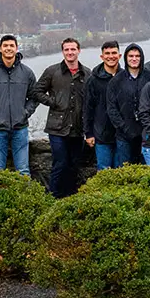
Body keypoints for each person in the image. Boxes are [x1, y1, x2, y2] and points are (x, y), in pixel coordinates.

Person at [34, 38, 91, 197]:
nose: (70, 52)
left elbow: (91, 100)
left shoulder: (87, 73)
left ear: (79, 51)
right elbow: (37, 91)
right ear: (63, 52)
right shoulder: (52, 72)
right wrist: (53, 102)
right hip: (57, 128)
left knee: (74, 165)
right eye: (67, 50)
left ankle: (71, 198)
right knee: (60, 163)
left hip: (77, 128)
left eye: (73, 49)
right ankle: (54, 197)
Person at [0, 34, 38, 175]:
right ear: (0, 48)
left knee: (23, 170)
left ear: (17, 48)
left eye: (11, 46)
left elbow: (34, 97)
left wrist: (25, 113)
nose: (8, 48)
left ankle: (26, 197)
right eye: (5, 46)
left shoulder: (26, 73)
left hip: (20, 128)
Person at [107, 43, 150, 167]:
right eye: (131, 56)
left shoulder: (149, 78)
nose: (134, 59)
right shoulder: (116, 81)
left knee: (145, 171)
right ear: (125, 58)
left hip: (145, 135)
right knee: (124, 171)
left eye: (137, 56)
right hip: (123, 135)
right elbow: (112, 108)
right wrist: (123, 127)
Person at [83, 41, 121, 170]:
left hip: (122, 134)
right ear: (102, 57)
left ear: (120, 56)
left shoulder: (124, 77)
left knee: (122, 170)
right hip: (101, 134)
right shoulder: (93, 80)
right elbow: (88, 107)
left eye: (114, 53)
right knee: (104, 170)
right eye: (107, 53)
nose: (111, 56)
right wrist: (88, 133)